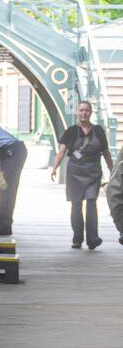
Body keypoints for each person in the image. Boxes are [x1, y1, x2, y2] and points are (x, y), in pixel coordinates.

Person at [52, 101, 114, 249]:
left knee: (91, 203)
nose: (84, 113)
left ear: (91, 112)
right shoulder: (71, 131)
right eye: (81, 110)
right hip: (75, 173)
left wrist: (112, 171)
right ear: (77, 112)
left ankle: (92, 239)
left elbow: (106, 152)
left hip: (93, 173)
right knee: (76, 205)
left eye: (86, 110)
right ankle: (77, 239)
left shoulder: (98, 131)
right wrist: (54, 168)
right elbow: (61, 152)